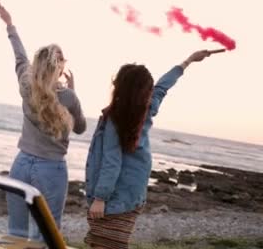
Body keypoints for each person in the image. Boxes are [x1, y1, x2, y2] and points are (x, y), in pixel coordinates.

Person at [84, 49, 222, 249]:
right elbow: (163, 87)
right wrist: (188, 60)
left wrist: (100, 198)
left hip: (115, 197)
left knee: (104, 243)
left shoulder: (116, 118)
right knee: (112, 242)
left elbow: (111, 161)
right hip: (134, 194)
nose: (152, 93)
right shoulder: (147, 109)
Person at [0, 0, 87, 240]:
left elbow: (19, 57)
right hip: (51, 169)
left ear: (37, 64)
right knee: (46, 234)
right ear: (60, 67)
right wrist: (73, 93)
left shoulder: (26, 85)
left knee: (15, 231)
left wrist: (10, 24)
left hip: (21, 164)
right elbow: (80, 128)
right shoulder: (68, 97)